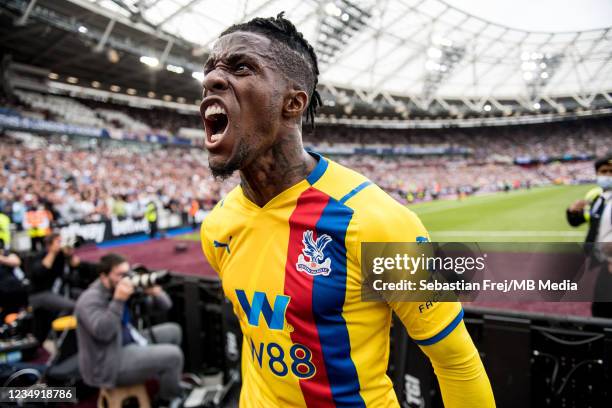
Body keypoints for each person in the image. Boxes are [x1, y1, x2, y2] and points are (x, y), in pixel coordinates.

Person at [199, 14, 495, 407]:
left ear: (293, 103)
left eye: (241, 67)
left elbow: (457, 363)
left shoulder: (380, 222)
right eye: (210, 68)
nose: (212, 80)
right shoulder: (218, 227)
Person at [75, 253, 184, 405]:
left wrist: (155, 292)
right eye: (120, 274)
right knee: (174, 356)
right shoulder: (90, 299)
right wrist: (119, 300)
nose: (125, 279)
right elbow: (104, 333)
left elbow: (165, 306)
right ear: (104, 277)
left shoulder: (124, 289)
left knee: (174, 331)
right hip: (108, 362)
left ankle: (165, 378)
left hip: (127, 339)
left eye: (127, 273)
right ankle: (168, 399)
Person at [567, 155, 612, 317]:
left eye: (611, 171)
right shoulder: (598, 198)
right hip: (598, 259)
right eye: (603, 171)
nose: (607, 175)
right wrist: (572, 212)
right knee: (600, 306)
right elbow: (586, 220)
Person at [29, 233, 78, 314]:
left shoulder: (61, 255)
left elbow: (75, 264)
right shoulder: (40, 255)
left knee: (85, 298)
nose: (61, 244)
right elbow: (40, 272)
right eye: (59, 242)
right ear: (49, 245)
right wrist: (52, 252)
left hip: (60, 289)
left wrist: (69, 254)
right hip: (41, 293)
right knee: (73, 306)